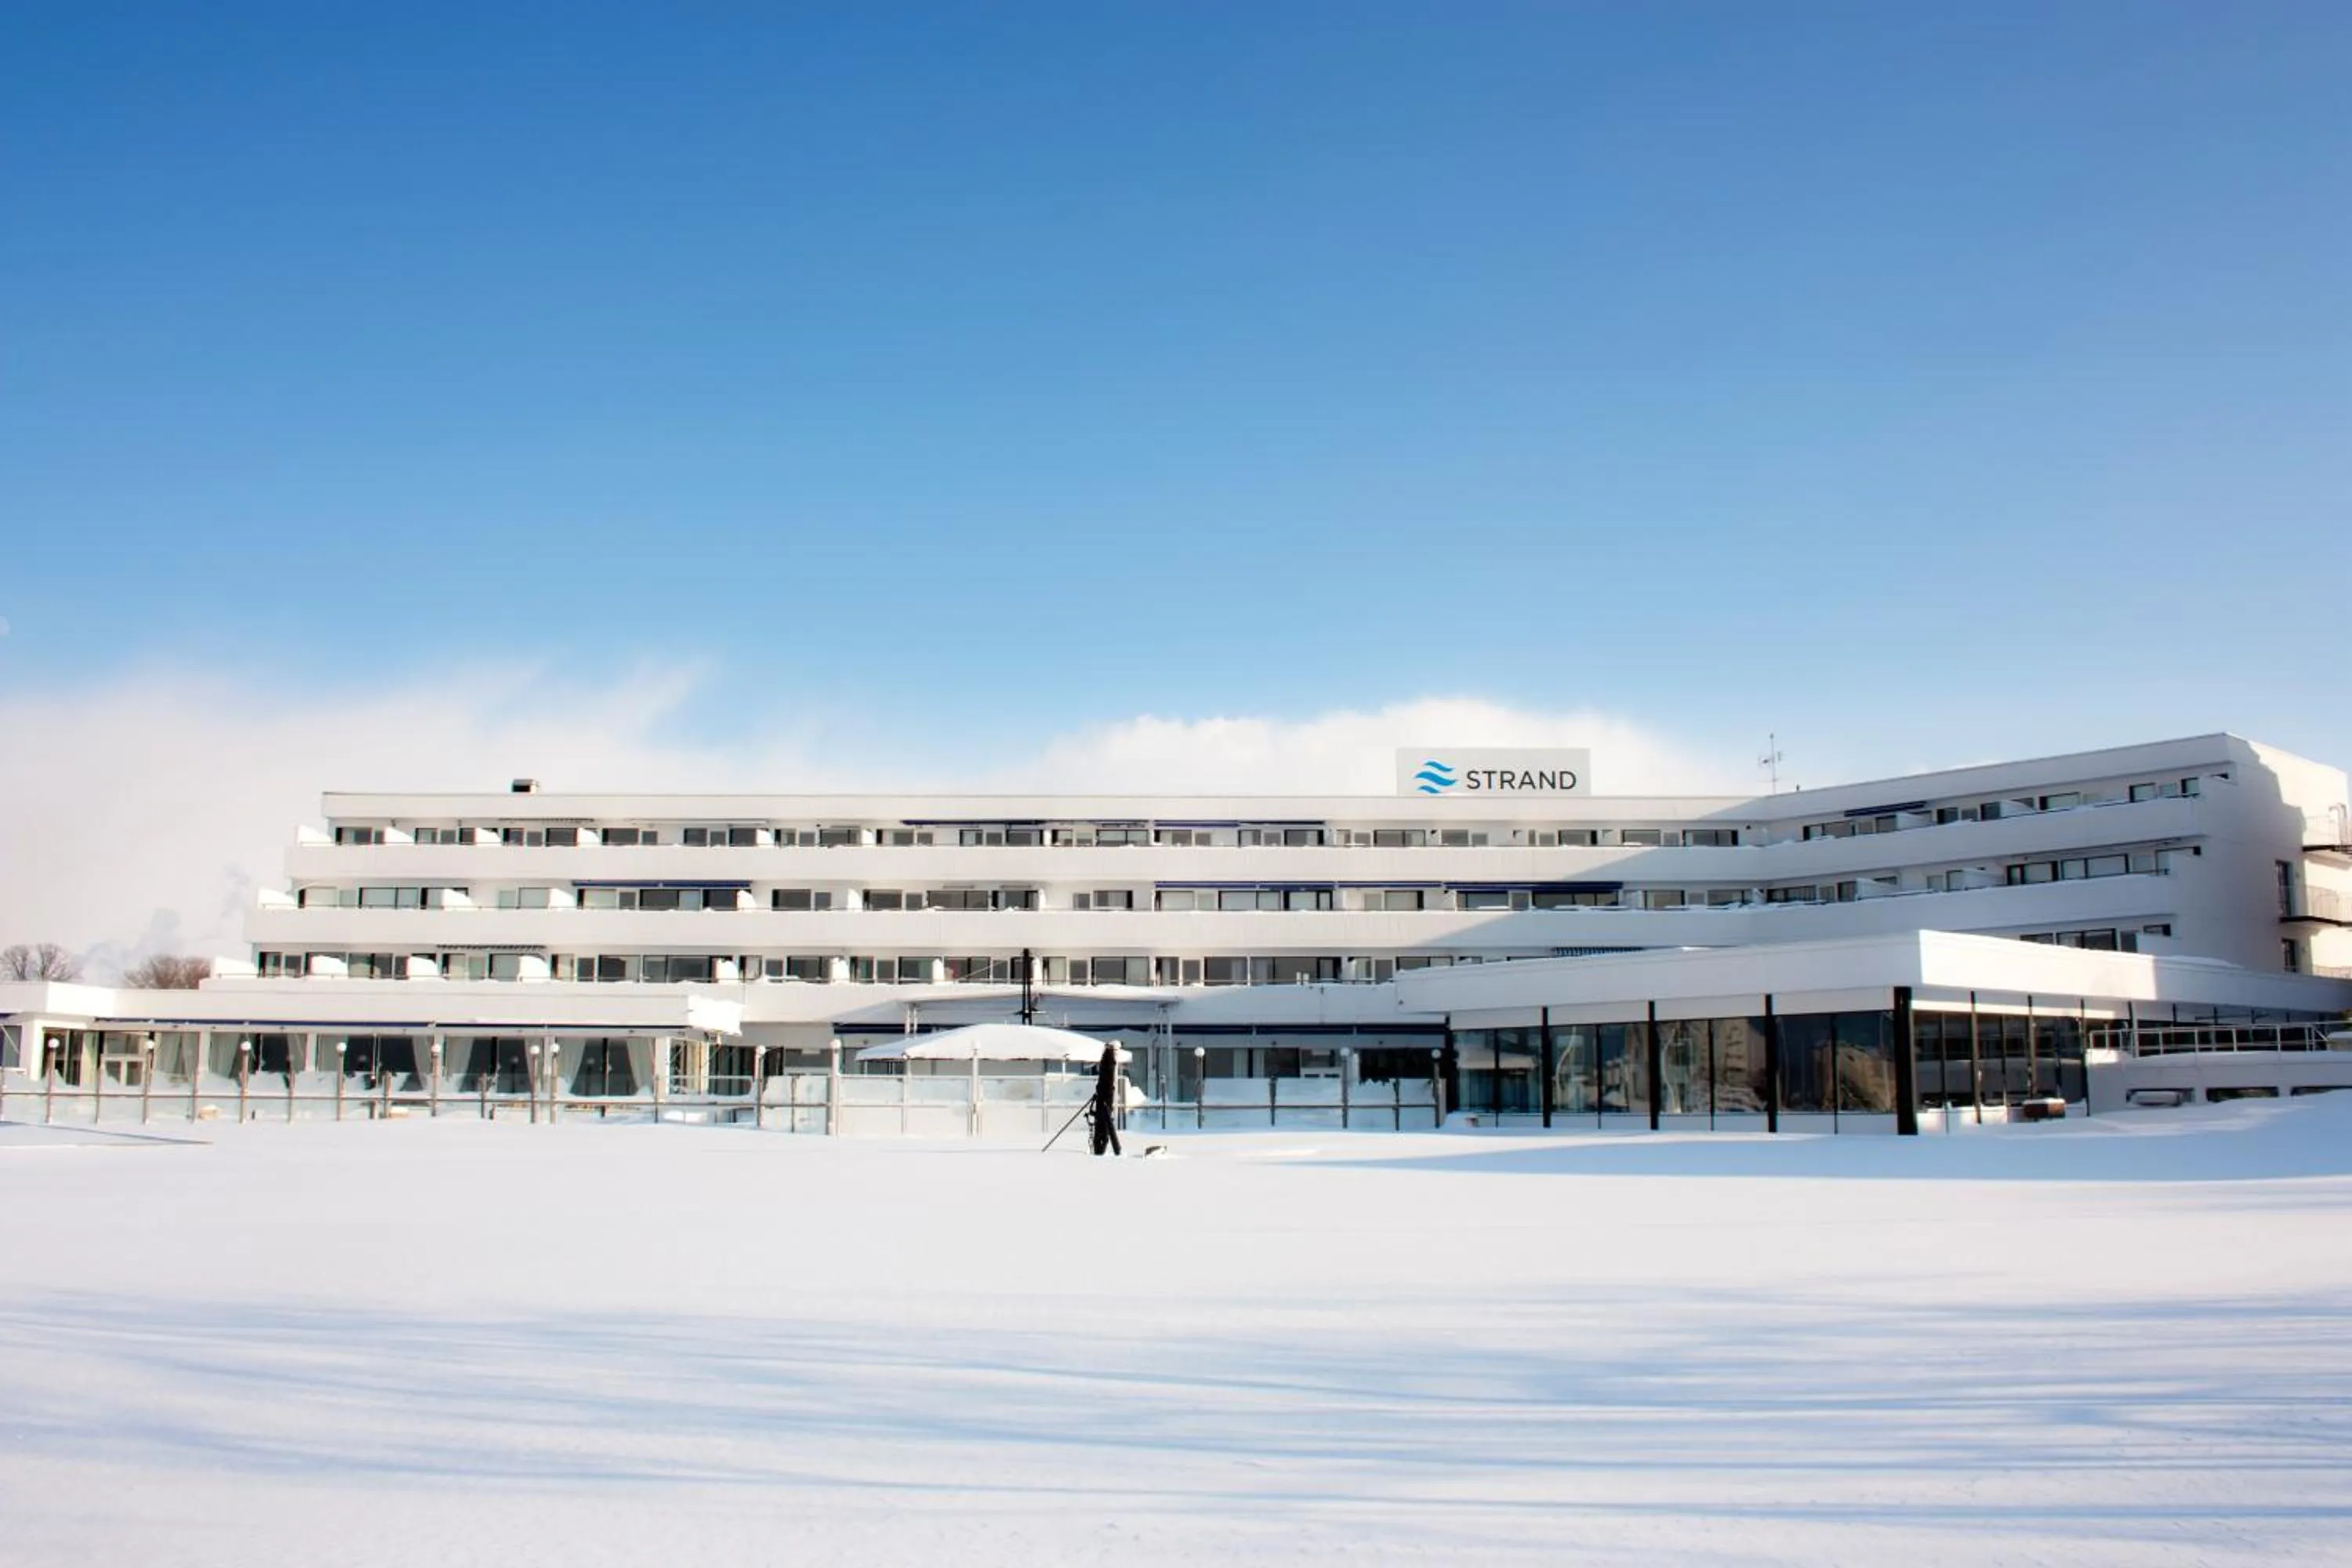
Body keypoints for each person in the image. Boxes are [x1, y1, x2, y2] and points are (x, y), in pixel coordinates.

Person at [1087, 1042, 1123, 1156]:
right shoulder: (1110, 1062)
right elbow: (1107, 1083)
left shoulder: (1106, 1062)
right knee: (1104, 1128)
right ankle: (1102, 1148)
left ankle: (1100, 1149)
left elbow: (1104, 1082)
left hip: (1103, 1099)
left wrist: (1100, 1093)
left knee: (1101, 1128)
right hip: (1105, 1100)